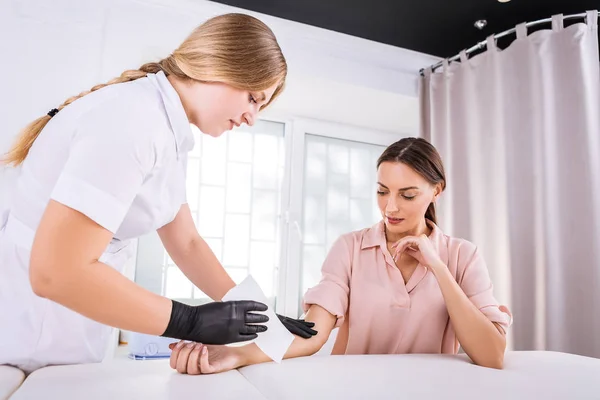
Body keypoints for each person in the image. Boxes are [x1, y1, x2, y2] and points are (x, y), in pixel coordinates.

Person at [0, 13, 316, 374]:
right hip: (25, 334)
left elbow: (187, 242)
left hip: (61, 331)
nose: (252, 117)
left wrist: (256, 313)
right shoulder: (133, 120)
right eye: (253, 98)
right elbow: (55, 273)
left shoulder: (165, 128)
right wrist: (191, 321)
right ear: (220, 66)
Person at [168, 137, 513, 374]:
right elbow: (314, 333)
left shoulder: (463, 256)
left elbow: (492, 354)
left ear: (436, 191)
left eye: (407, 195)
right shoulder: (349, 248)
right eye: (382, 192)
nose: (390, 207)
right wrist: (235, 355)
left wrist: (437, 267)